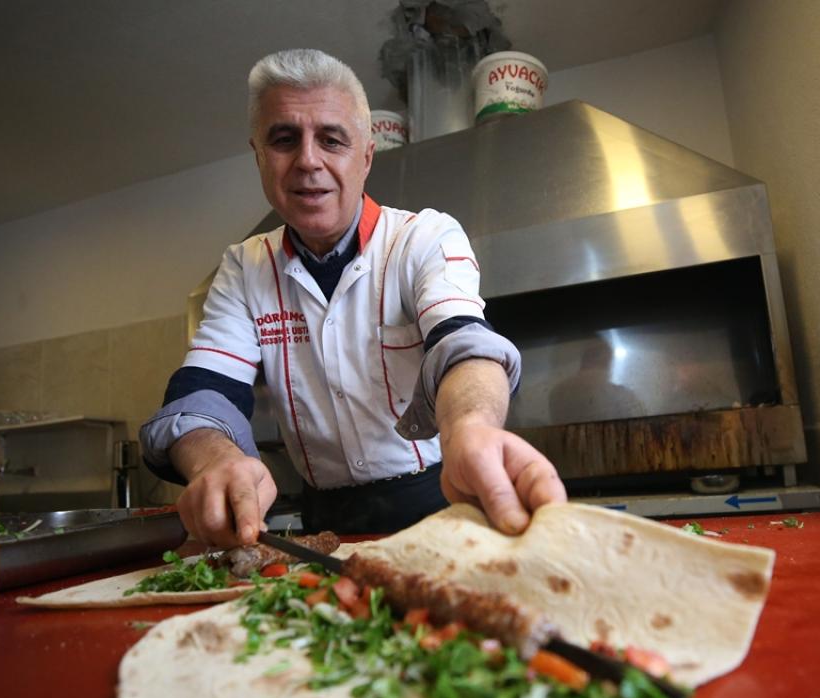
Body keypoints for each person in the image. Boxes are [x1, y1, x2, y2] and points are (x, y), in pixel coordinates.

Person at [140, 48, 566, 547]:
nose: (308, 161)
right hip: (324, 522)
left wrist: (470, 428)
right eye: (284, 139)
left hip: (439, 502)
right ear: (259, 156)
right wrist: (216, 460)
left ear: (365, 156)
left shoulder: (423, 238)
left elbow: (462, 344)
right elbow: (205, 389)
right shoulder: (243, 267)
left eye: (331, 139)